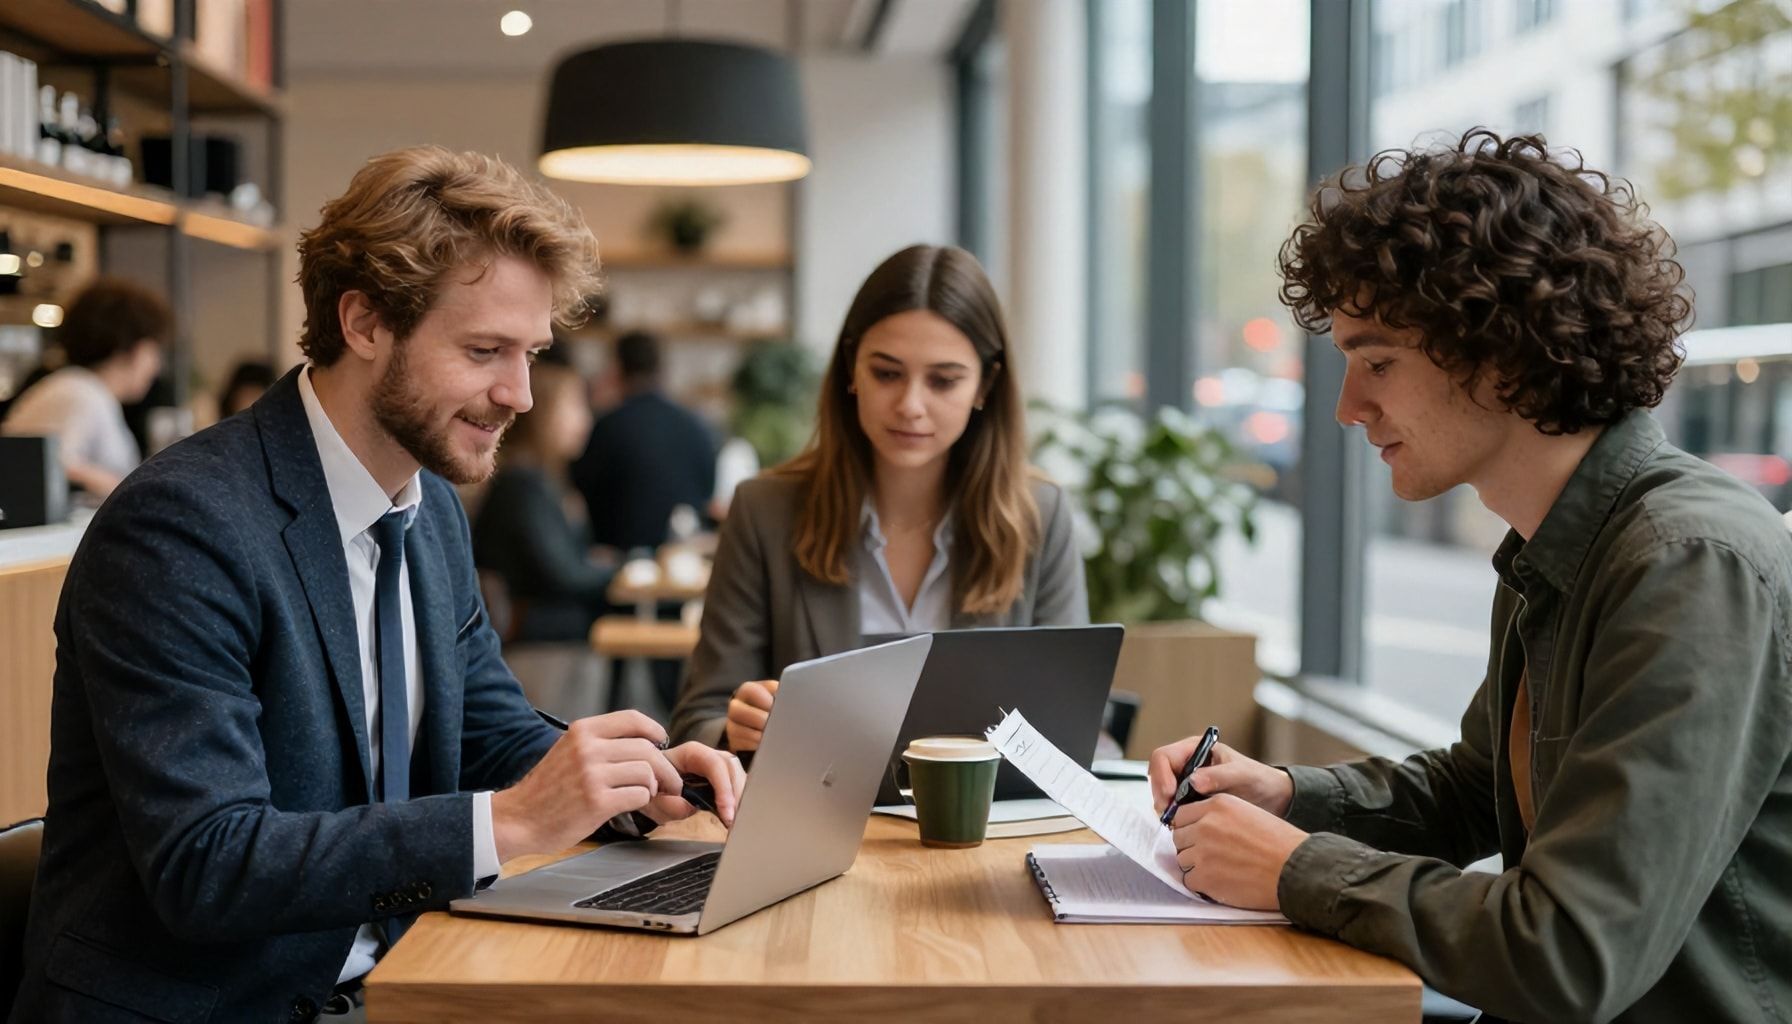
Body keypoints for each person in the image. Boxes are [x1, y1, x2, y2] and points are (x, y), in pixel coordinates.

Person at [10, 147, 744, 1024]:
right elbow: (208, 863)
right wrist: (508, 824)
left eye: (532, 354)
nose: (520, 394)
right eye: (484, 351)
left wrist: (629, 781)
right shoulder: (180, 527)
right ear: (363, 323)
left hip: (393, 983)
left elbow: (486, 727)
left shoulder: (425, 508)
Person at [1150, 129, 1792, 1023]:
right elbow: (1474, 791)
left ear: (1503, 352)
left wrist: (1296, 869)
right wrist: (1290, 798)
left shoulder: (1687, 564)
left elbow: (1571, 950)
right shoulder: (1558, 542)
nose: (1346, 408)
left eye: (1378, 363)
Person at [670, 244, 1089, 752]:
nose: (911, 405)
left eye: (943, 381)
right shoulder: (765, 512)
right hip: (814, 824)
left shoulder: (1038, 517)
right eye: (887, 373)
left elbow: (1070, 726)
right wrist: (736, 730)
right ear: (851, 368)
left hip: (989, 830)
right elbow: (699, 718)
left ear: (986, 384)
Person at [473, 362, 615, 642]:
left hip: (547, 624)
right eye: (574, 407)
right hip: (530, 634)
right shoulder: (522, 483)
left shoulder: (548, 478)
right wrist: (625, 568)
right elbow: (565, 574)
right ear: (542, 414)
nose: (585, 420)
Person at [1, 277, 170, 498]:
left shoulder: (79, 388)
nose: (156, 365)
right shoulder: (80, 392)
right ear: (135, 349)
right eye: (154, 350)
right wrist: (128, 490)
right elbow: (53, 467)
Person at [571, 330, 717, 553]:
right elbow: (707, 490)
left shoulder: (608, 426)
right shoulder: (697, 425)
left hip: (618, 561)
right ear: (662, 369)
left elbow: (581, 489)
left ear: (616, 368)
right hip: (683, 557)